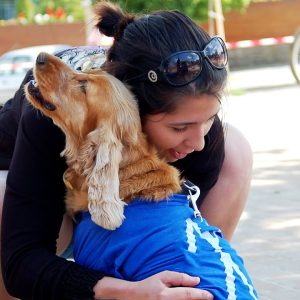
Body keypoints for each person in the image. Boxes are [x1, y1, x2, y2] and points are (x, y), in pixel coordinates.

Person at [0, 2, 253, 300]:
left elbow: (187, 242)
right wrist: (128, 292)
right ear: (133, 113)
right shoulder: (53, 109)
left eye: (208, 120)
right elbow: (21, 265)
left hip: (132, 210)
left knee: (234, 151)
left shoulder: (203, 140)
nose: (198, 142)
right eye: (179, 128)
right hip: (52, 205)